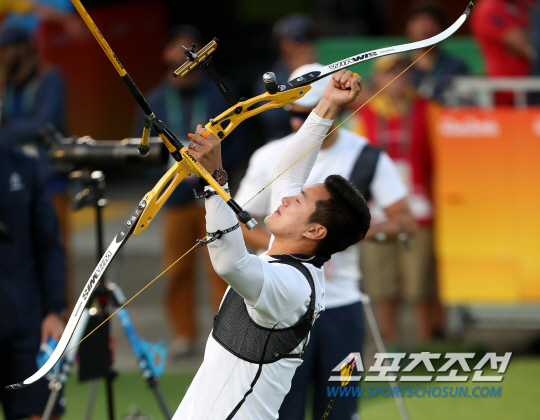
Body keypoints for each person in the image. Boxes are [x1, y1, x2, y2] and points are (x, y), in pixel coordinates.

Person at [173, 69, 368, 419]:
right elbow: (289, 171)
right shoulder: (290, 265)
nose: (287, 198)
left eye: (300, 201)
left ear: (314, 232)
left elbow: (231, 264)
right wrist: (327, 103)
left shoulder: (293, 287)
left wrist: (215, 179)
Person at [235, 63, 416, 420]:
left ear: (335, 112)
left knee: (338, 408)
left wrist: (351, 236)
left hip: (341, 303)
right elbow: (240, 221)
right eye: (294, 114)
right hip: (281, 300)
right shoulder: (270, 156)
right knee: (281, 409)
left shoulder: (366, 155)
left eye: (308, 115)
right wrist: (286, 250)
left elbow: (404, 219)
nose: (296, 124)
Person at [134, 25, 248, 358]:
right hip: (176, 198)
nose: (182, 59)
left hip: (213, 193)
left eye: (189, 52)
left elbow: (239, 138)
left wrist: (212, 165)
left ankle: (229, 331)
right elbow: (141, 146)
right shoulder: (153, 99)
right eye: (176, 50)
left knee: (224, 266)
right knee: (177, 269)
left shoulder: (217, 94)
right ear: (166, 55)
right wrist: (170, 171)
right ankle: (185, 335)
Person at [347, 54, 436, 347]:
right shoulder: (365, 115)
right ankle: (391, 346)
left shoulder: (427, 109)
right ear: (379, 79)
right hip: (376, 211)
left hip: (420, 208)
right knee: (382, 282)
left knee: (421, 283)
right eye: (390, 73)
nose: (397, 78)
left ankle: (426, 344)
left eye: (403, 71)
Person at [0, 144, 66, 420]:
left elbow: (49, 244)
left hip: (27, 319)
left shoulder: (25, 166)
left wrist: (54, 311)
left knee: (42, 413)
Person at [253, 14, 319, 142]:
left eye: (310, 38)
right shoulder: (269, 80)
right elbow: (275, 120)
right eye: (300, 39)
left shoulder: (321, 70)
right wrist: (300, 75)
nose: (306, 44)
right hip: (282, 148)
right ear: (283, 44)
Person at [471, 0, 534, 105]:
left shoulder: (524, 5)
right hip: (506, 93)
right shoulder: (489, 8)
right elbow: (527, 47)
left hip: (529, 89)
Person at [405, 1, 468, 102]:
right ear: (409, 27)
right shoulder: (397, 67)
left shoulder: (456, 67)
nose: (425, 28)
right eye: (419, 22)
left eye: (431, 23)